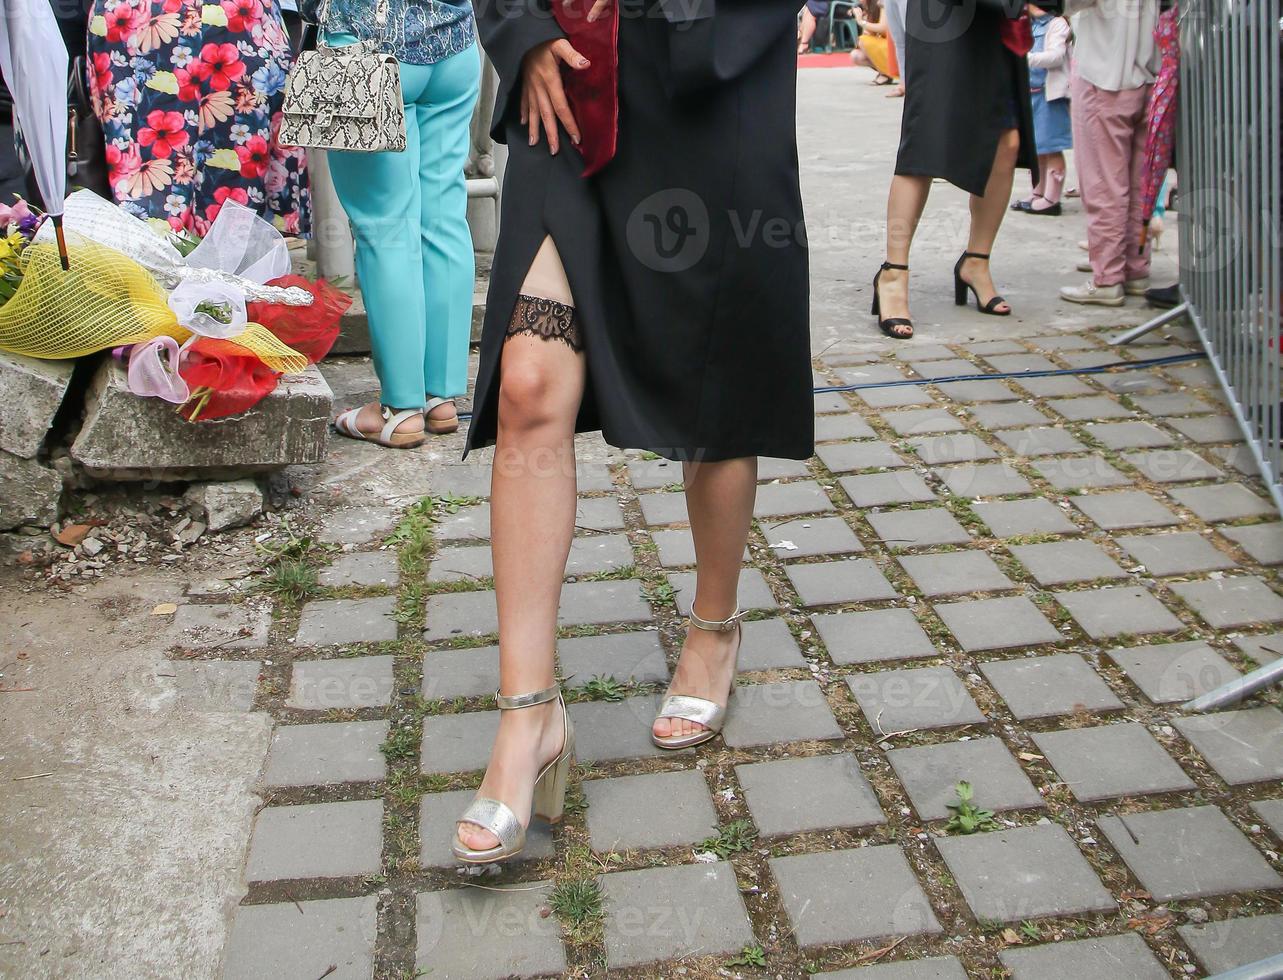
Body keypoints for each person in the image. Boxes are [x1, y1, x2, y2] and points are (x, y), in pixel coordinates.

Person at [451, 0, 813, 863]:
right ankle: (527, 717)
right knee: (529, 384)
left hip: (716, 75)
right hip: (569, 70)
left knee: (715, 374)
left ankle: (714, 627)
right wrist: (518, 30)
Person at [318, 0, 480, 446]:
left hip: (364, 43)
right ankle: (440, 397)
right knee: (444, 218)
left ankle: (399, 408)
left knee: (384, 226)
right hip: (456, 44)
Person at [871, 0, 1040, 338]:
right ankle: (893, 272)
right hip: (942, 17)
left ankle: (976, 261)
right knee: (925, 143)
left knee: (1006, 142)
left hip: (997, 20)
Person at [87, 0, 310, 236]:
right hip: (232, 16)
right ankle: (233, 256)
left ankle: (146, 255)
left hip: (137, 18)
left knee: (144, 168)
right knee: (238, 167)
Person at [1059, 0, 1160, 306]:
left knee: (1103, 184)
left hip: (1103, 73)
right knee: (1137, 185)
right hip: (1148, 72)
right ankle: (1135, 268)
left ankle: (1108, 276)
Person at [1012, 5, 1071, 215]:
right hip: (1031, 95)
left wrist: (1025, 58)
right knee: (1037, 148)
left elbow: (1056, 56)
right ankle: (1038, 191)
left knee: (1051, 147)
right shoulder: (1029, 24)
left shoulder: (1057, 24)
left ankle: (1052, 198)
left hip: (1049, 96)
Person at [850, 0, 897, 86]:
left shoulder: (883, 2)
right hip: (886, 44)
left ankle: (889, 73)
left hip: (895, 45)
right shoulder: (870, 6)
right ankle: (886, 72)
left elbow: (883, 28)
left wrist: (861, 22)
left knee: (863, 41)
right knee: (856, 56)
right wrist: (863, 18)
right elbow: (870, 33)